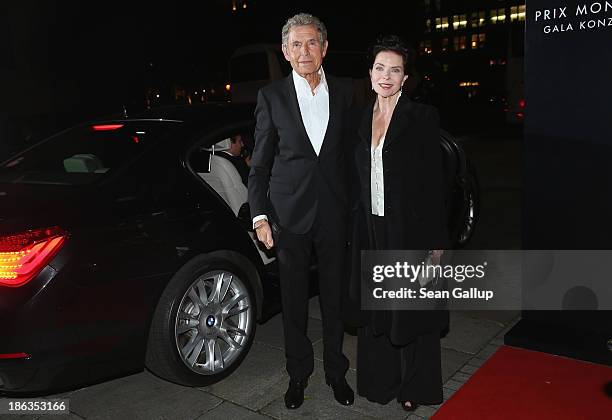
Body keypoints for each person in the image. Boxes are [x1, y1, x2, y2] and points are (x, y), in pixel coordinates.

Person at [248, 13, 354, 410]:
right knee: (293, 303)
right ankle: (298, 376)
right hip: (288, 218)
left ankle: (336, 373)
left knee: (334, 301)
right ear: (285, 52)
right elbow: (259, 164)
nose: (304, 51)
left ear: (325, 48)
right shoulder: (271, 97)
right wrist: (259, 216)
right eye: (296, 44)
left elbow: (351, 157)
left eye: (312, 43)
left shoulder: (345, 94)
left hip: (333, 215)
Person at [350, 35, 449, 411]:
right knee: (378, 308)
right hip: (371, 228)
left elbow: (434, 183)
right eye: (380, 68)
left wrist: (437, 242)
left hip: (409, 228)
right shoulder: (359, 118)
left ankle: (415, 386)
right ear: (370, 73)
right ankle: (380, 380)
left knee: (412, 310)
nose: (386, 76)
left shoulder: (422, 117)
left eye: (395, 70)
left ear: (406, 78)